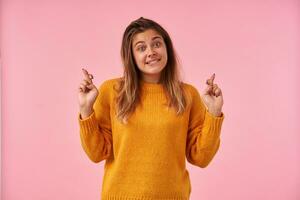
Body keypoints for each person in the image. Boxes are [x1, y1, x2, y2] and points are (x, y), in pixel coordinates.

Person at [77, 17, 224, 200]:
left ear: (166, 48)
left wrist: (214, 113)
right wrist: (86, 110)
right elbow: (97, 154)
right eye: (141, 47)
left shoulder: (187, 94)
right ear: (131, 55)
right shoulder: (111, 92)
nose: (151, 52)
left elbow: (201, 158)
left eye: (156, 44)